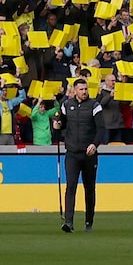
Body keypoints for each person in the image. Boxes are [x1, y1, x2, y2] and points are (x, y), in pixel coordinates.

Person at [54, 79, 103, 233]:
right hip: (72, 153)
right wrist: (56, 125)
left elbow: (101, 129)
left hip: (89, 154)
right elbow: (60, 122)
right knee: (71, 186)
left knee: (89, 189)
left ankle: (89, 222)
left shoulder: (95, 106)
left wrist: (94, 144)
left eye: (85, 89)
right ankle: (69, 222)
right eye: (81, 89)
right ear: (74, 91)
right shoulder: (66, 105)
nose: (84, 91)